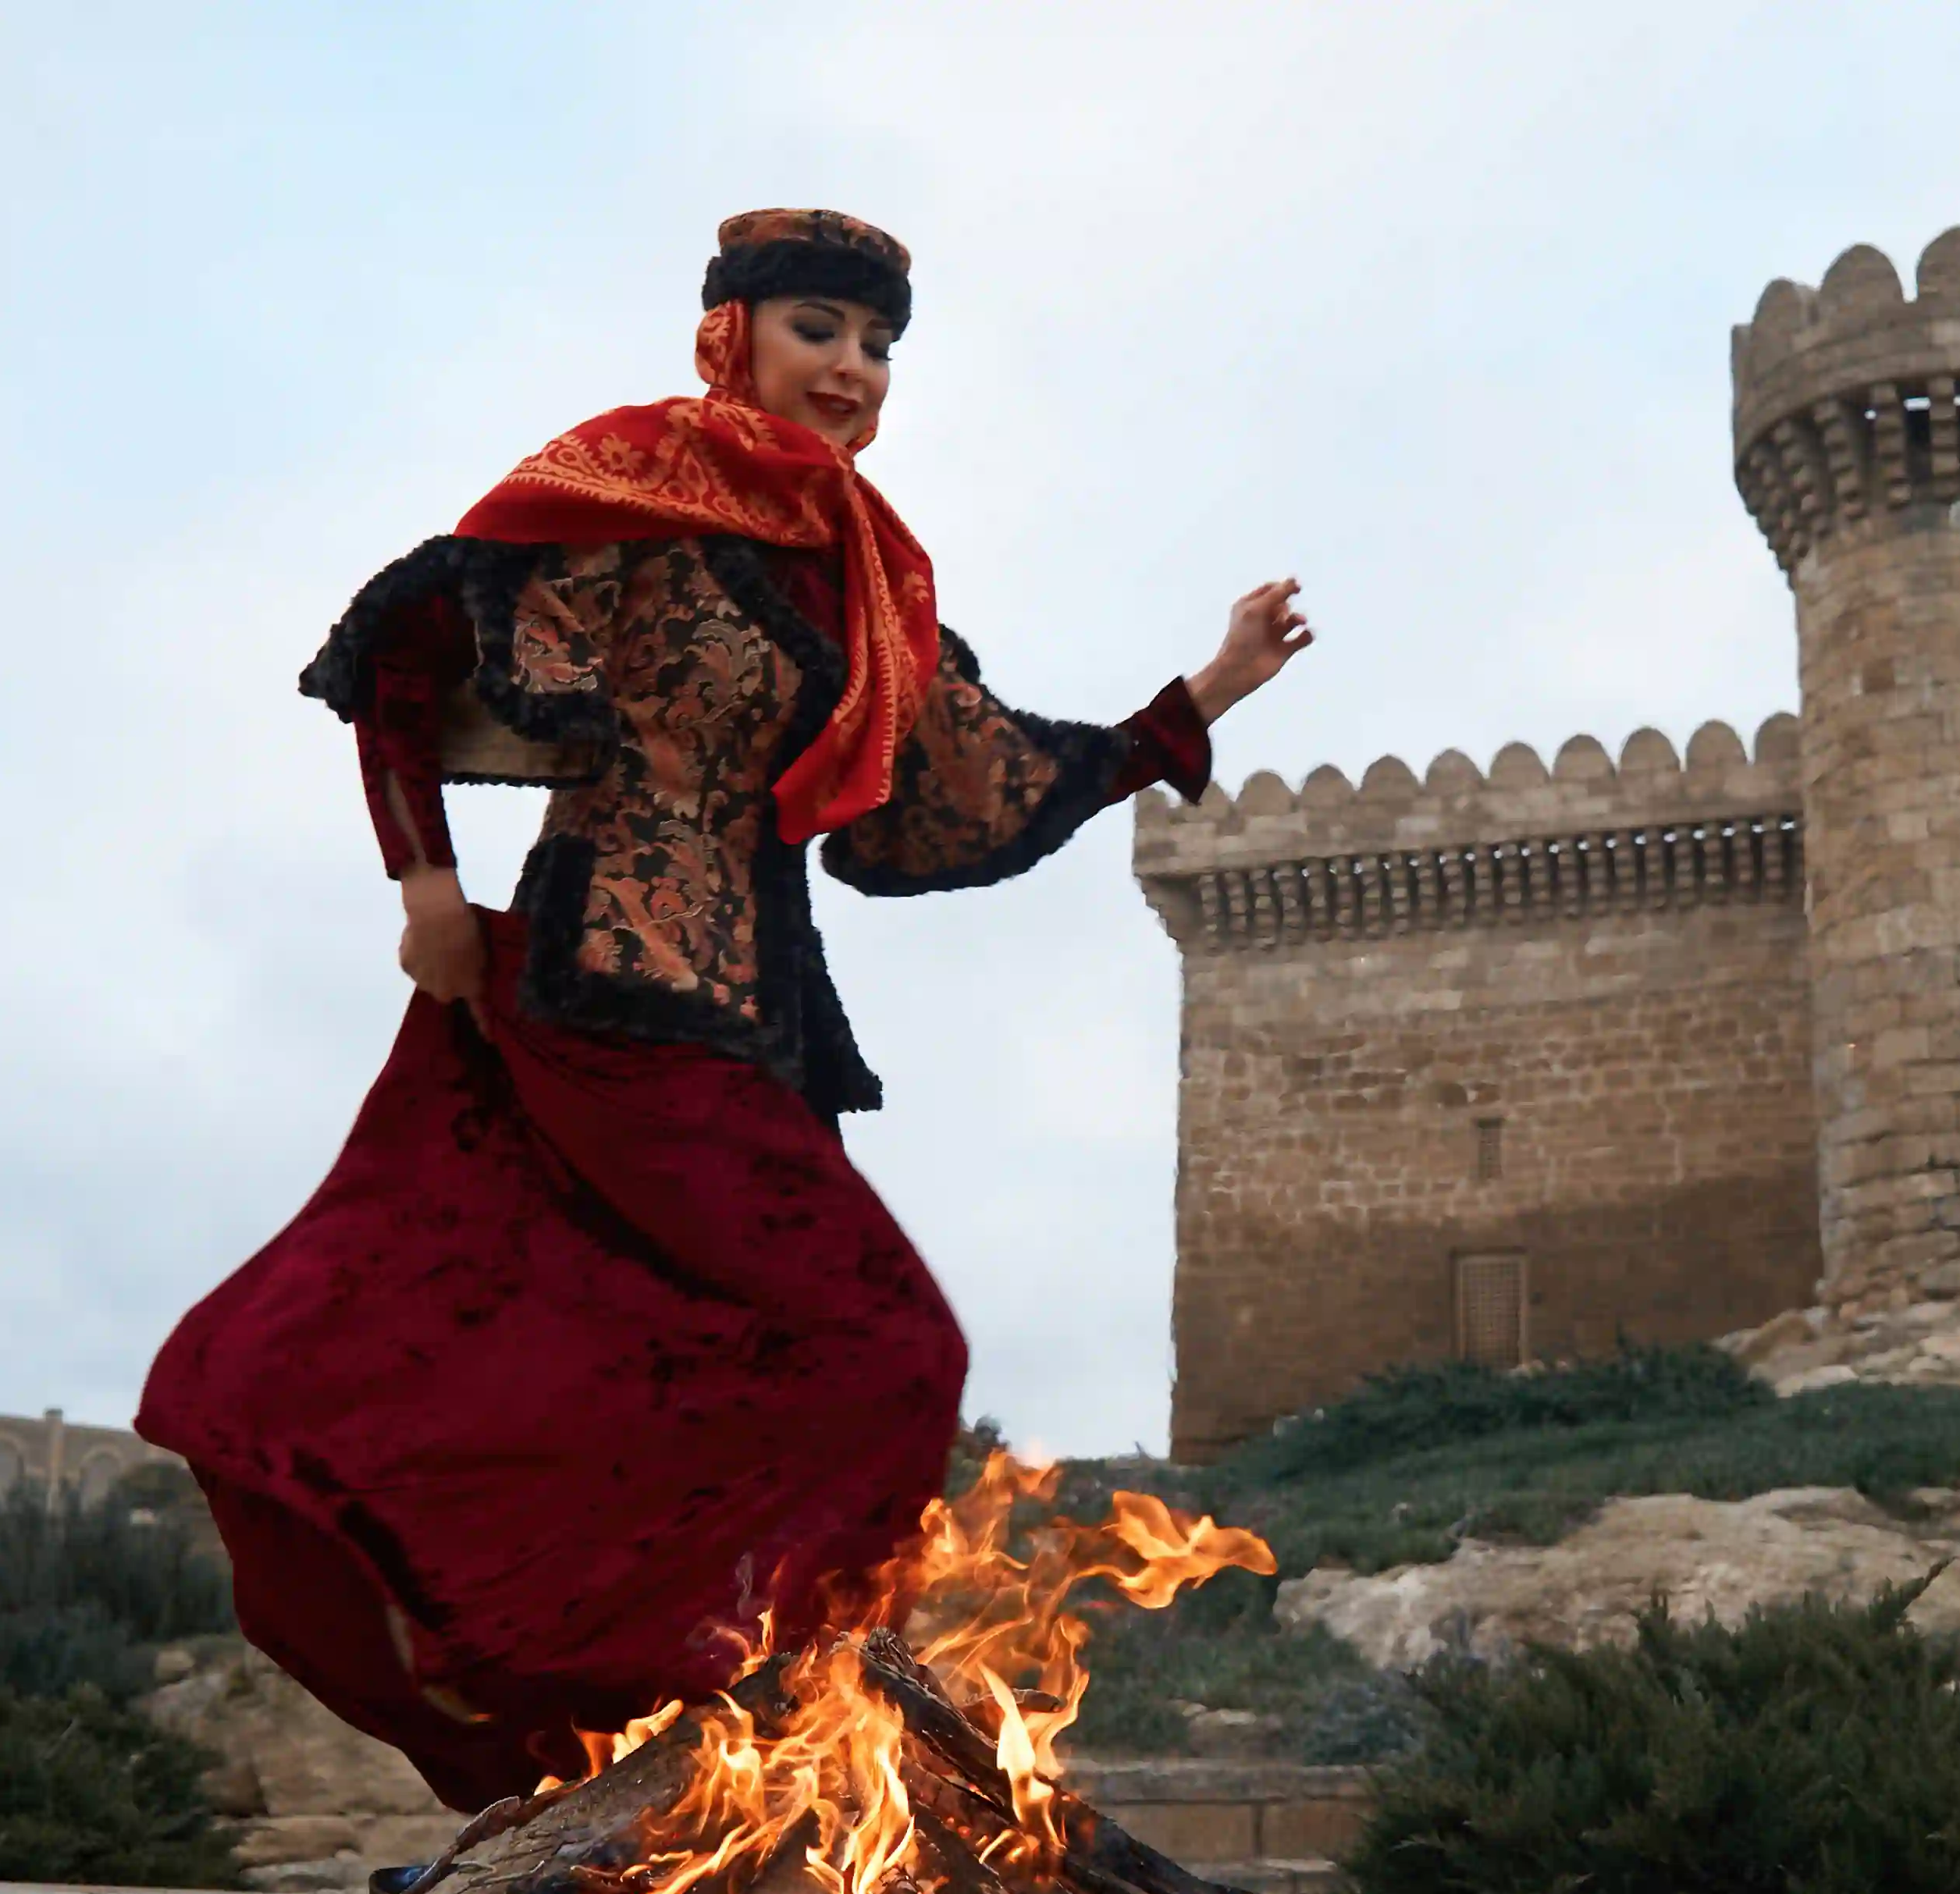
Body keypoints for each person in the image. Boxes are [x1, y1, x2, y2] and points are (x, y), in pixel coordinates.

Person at [138, 209, 1308, 1810]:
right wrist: (421, 883)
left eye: (879, 345)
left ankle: (697, 1731)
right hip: (605, 985)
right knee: (891, 1344)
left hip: (760, 1020)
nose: (852, 369)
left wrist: (1203, 696)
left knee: (714, 1362)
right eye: (820, 328)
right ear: (732, 334)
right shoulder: (624, 493)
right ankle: (739, 1705)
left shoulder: (865, 576)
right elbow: (399, 666)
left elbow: (969, 788)